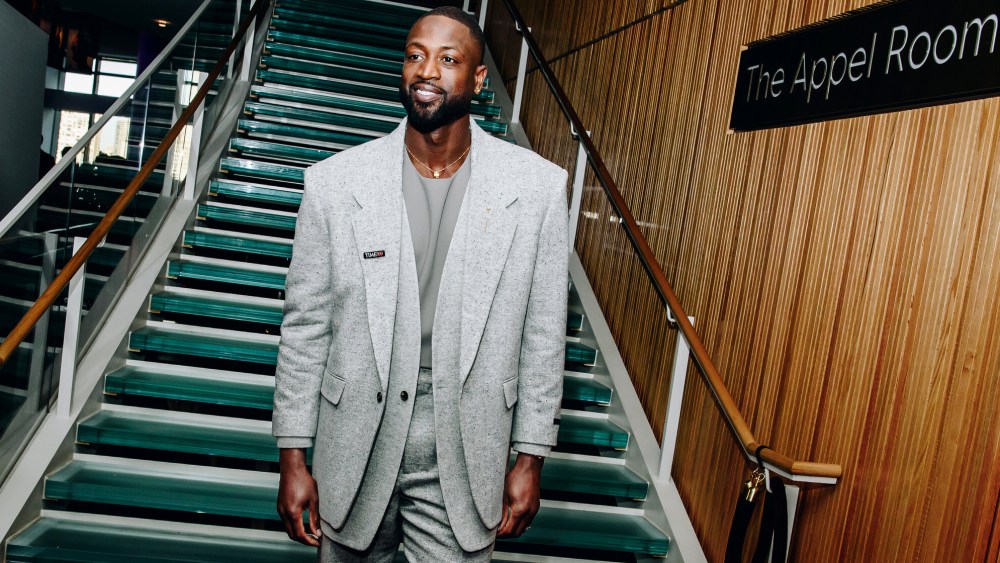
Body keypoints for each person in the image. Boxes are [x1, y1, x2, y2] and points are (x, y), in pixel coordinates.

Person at [272, 6, 568, 561]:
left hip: (467, 441)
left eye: (448, 59)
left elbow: (544, 333)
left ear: (479, 80)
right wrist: (292, 456)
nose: (426, 70)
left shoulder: (538, 189)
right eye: (415, 55)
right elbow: (305, 326)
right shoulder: (334, 184)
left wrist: (530, 456)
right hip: (355, 432)